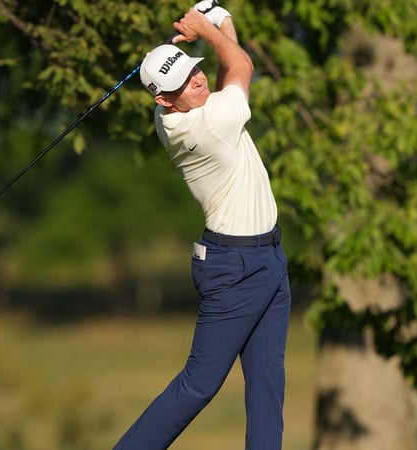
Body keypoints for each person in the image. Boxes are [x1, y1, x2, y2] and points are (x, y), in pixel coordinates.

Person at [113, 3, 291, 449]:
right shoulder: (207, 124)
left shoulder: (181, 112)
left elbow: (229, 65)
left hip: (267, 257)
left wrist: (217, 17)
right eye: (183, 83)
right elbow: (242, 65)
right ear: (163, 99)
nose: (198, 80)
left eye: (195, 70)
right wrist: (208, 29)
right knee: (199, 384)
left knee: (267, 386)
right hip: (237, 266)